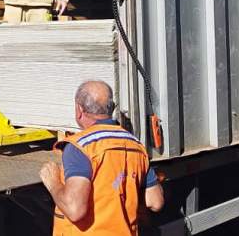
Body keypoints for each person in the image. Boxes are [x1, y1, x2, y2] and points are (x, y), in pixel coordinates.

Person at [40, 80, 164, 235]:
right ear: (111, 108)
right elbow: (155, 202)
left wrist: (54, 184)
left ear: (79, 110)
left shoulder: (80, 147)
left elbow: (74, 209)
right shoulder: (136, 146)